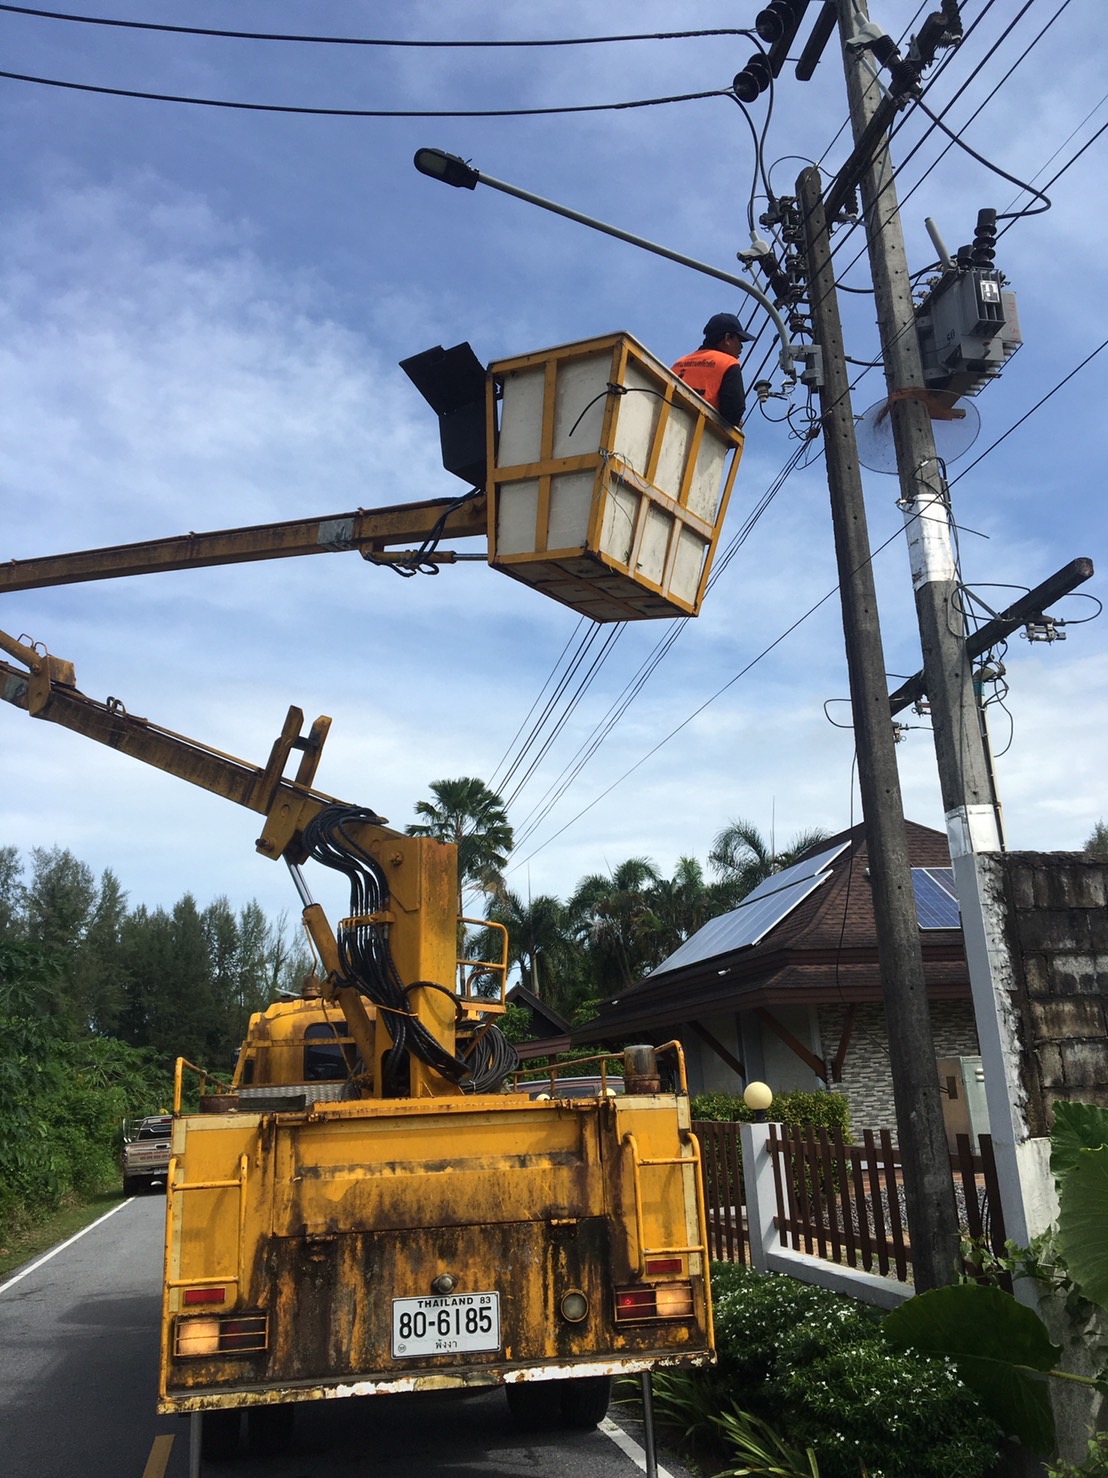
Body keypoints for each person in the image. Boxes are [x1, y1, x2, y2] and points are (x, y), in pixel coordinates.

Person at [670, 312, 754, 425]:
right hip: (701, 429)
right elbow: (733, 413)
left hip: (668, 420)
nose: (741, 347)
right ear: (727, 338)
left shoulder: (679, 363)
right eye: (739, 340)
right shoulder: (728, 363)